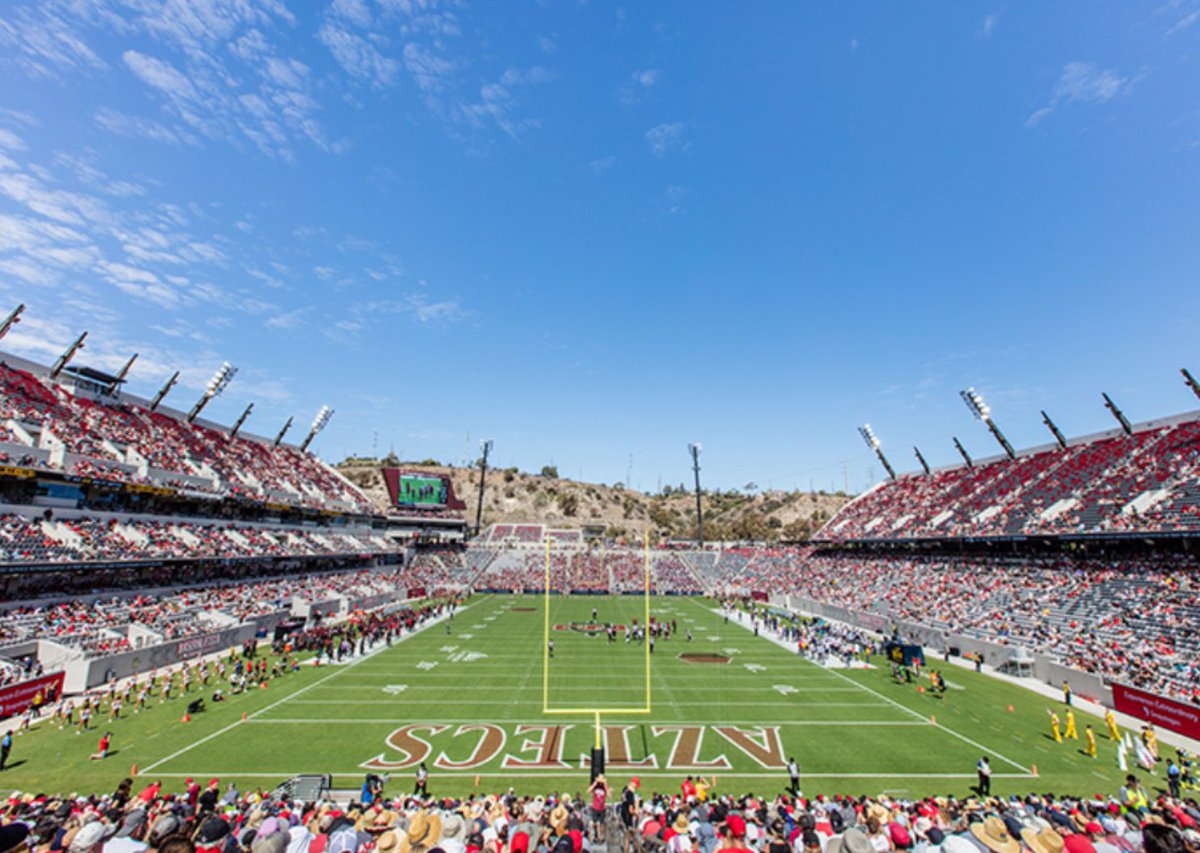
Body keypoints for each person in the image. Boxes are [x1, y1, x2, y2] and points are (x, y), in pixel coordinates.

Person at [587, 774, 610, 843]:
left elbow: (609, 795)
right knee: (594, 823)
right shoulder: (595, 786)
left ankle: (601, 836)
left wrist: (605, 785)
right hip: (595, 806)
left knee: (601, 824)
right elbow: (588, 791)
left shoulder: (604, 787)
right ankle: (595, 834)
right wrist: (595, 783)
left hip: (602, 807)